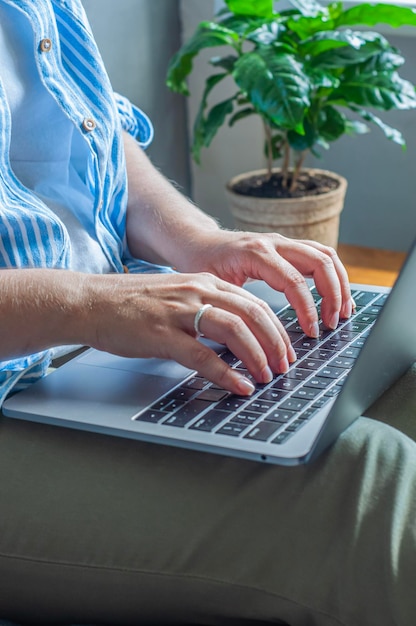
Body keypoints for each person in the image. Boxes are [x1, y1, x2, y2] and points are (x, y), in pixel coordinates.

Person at [0, 1, 415, 625]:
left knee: (399, 373)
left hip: (115, 323)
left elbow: (90, 130)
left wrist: (202, 241)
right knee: (366, 491)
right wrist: (85, 304)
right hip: (28, 366)